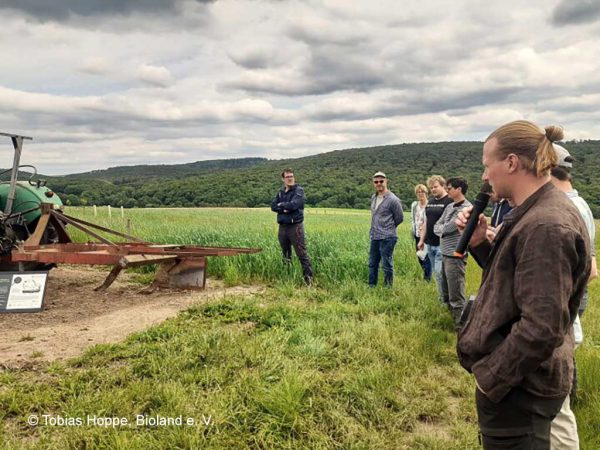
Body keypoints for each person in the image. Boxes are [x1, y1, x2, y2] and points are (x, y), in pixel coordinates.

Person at [455, 120, 591, 448]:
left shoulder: (546, 225)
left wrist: (491, 379)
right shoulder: (531, 212)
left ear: (512, 162)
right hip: (519, 387)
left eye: (488, 166)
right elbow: (517, 286)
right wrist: (479, 243)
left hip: (521, 392)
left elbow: (542, 327)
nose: (485, 176)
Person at [549, 143, 597, 450]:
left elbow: (589, 269)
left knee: (557, 404)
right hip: (569, 303)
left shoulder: (565, 208)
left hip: (563, 306)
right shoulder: (578, 203)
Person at [433, 177, 472, 330]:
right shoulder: (450, 206)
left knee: (456, 292)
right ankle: (452, 321)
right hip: (444, 253)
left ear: (459, 189)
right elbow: (438, 225)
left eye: (449, 188)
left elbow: (450, 227)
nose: (447, 190)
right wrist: (442, 230)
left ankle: (460, 326)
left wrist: (442, 230)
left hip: (455, 256)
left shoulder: (467, 208)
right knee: (446, 290)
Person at [271, 168, 314, 285]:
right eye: (287, 177)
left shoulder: (299, 190)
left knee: (301, 253)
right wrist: (283, 207)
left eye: (291, 176)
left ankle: (308, 280)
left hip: (295, 227)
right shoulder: (280, 192)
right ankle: (288, 277)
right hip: (283, 227)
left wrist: (283, 206)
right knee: (285, 253)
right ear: (283, 179)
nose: (290, 178)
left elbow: (294, 205)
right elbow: (273, 206)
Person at [417, 175, 453, 302]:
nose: (433, 189)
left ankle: (445, 300)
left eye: (435, 187)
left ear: (443, 186)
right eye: (431, 187)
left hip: (443, 245)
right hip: (430, 244)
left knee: (440, 273)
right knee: (436, 274)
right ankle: (443, 298)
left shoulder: (450, 201)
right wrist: (421, 240)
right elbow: (426, 223)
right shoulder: (430, 202)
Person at [368, 171, 404, 287]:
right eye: (376, 182)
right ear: (373, 183)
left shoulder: (393, 200)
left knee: (386, 263)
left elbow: (399, 218)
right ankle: (371, 285)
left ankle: (388, 287)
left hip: (388, 237)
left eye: (381, 181)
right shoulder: (373, 197)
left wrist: (387, 228)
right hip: (375, 235)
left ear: (386, 181)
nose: (379, 183)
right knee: (372, 263)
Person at [411, 184, 431, 281]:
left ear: (426, 193)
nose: (420, 194)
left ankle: (427, 279)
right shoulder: (414, 205)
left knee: (426, 257)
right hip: (417, 234)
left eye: (422, 192)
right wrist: (413, 231)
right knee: (419, 256)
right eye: (418, 192)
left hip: (427, 236)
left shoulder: (430, 204)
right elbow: (413, 219)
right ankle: (426, 274)